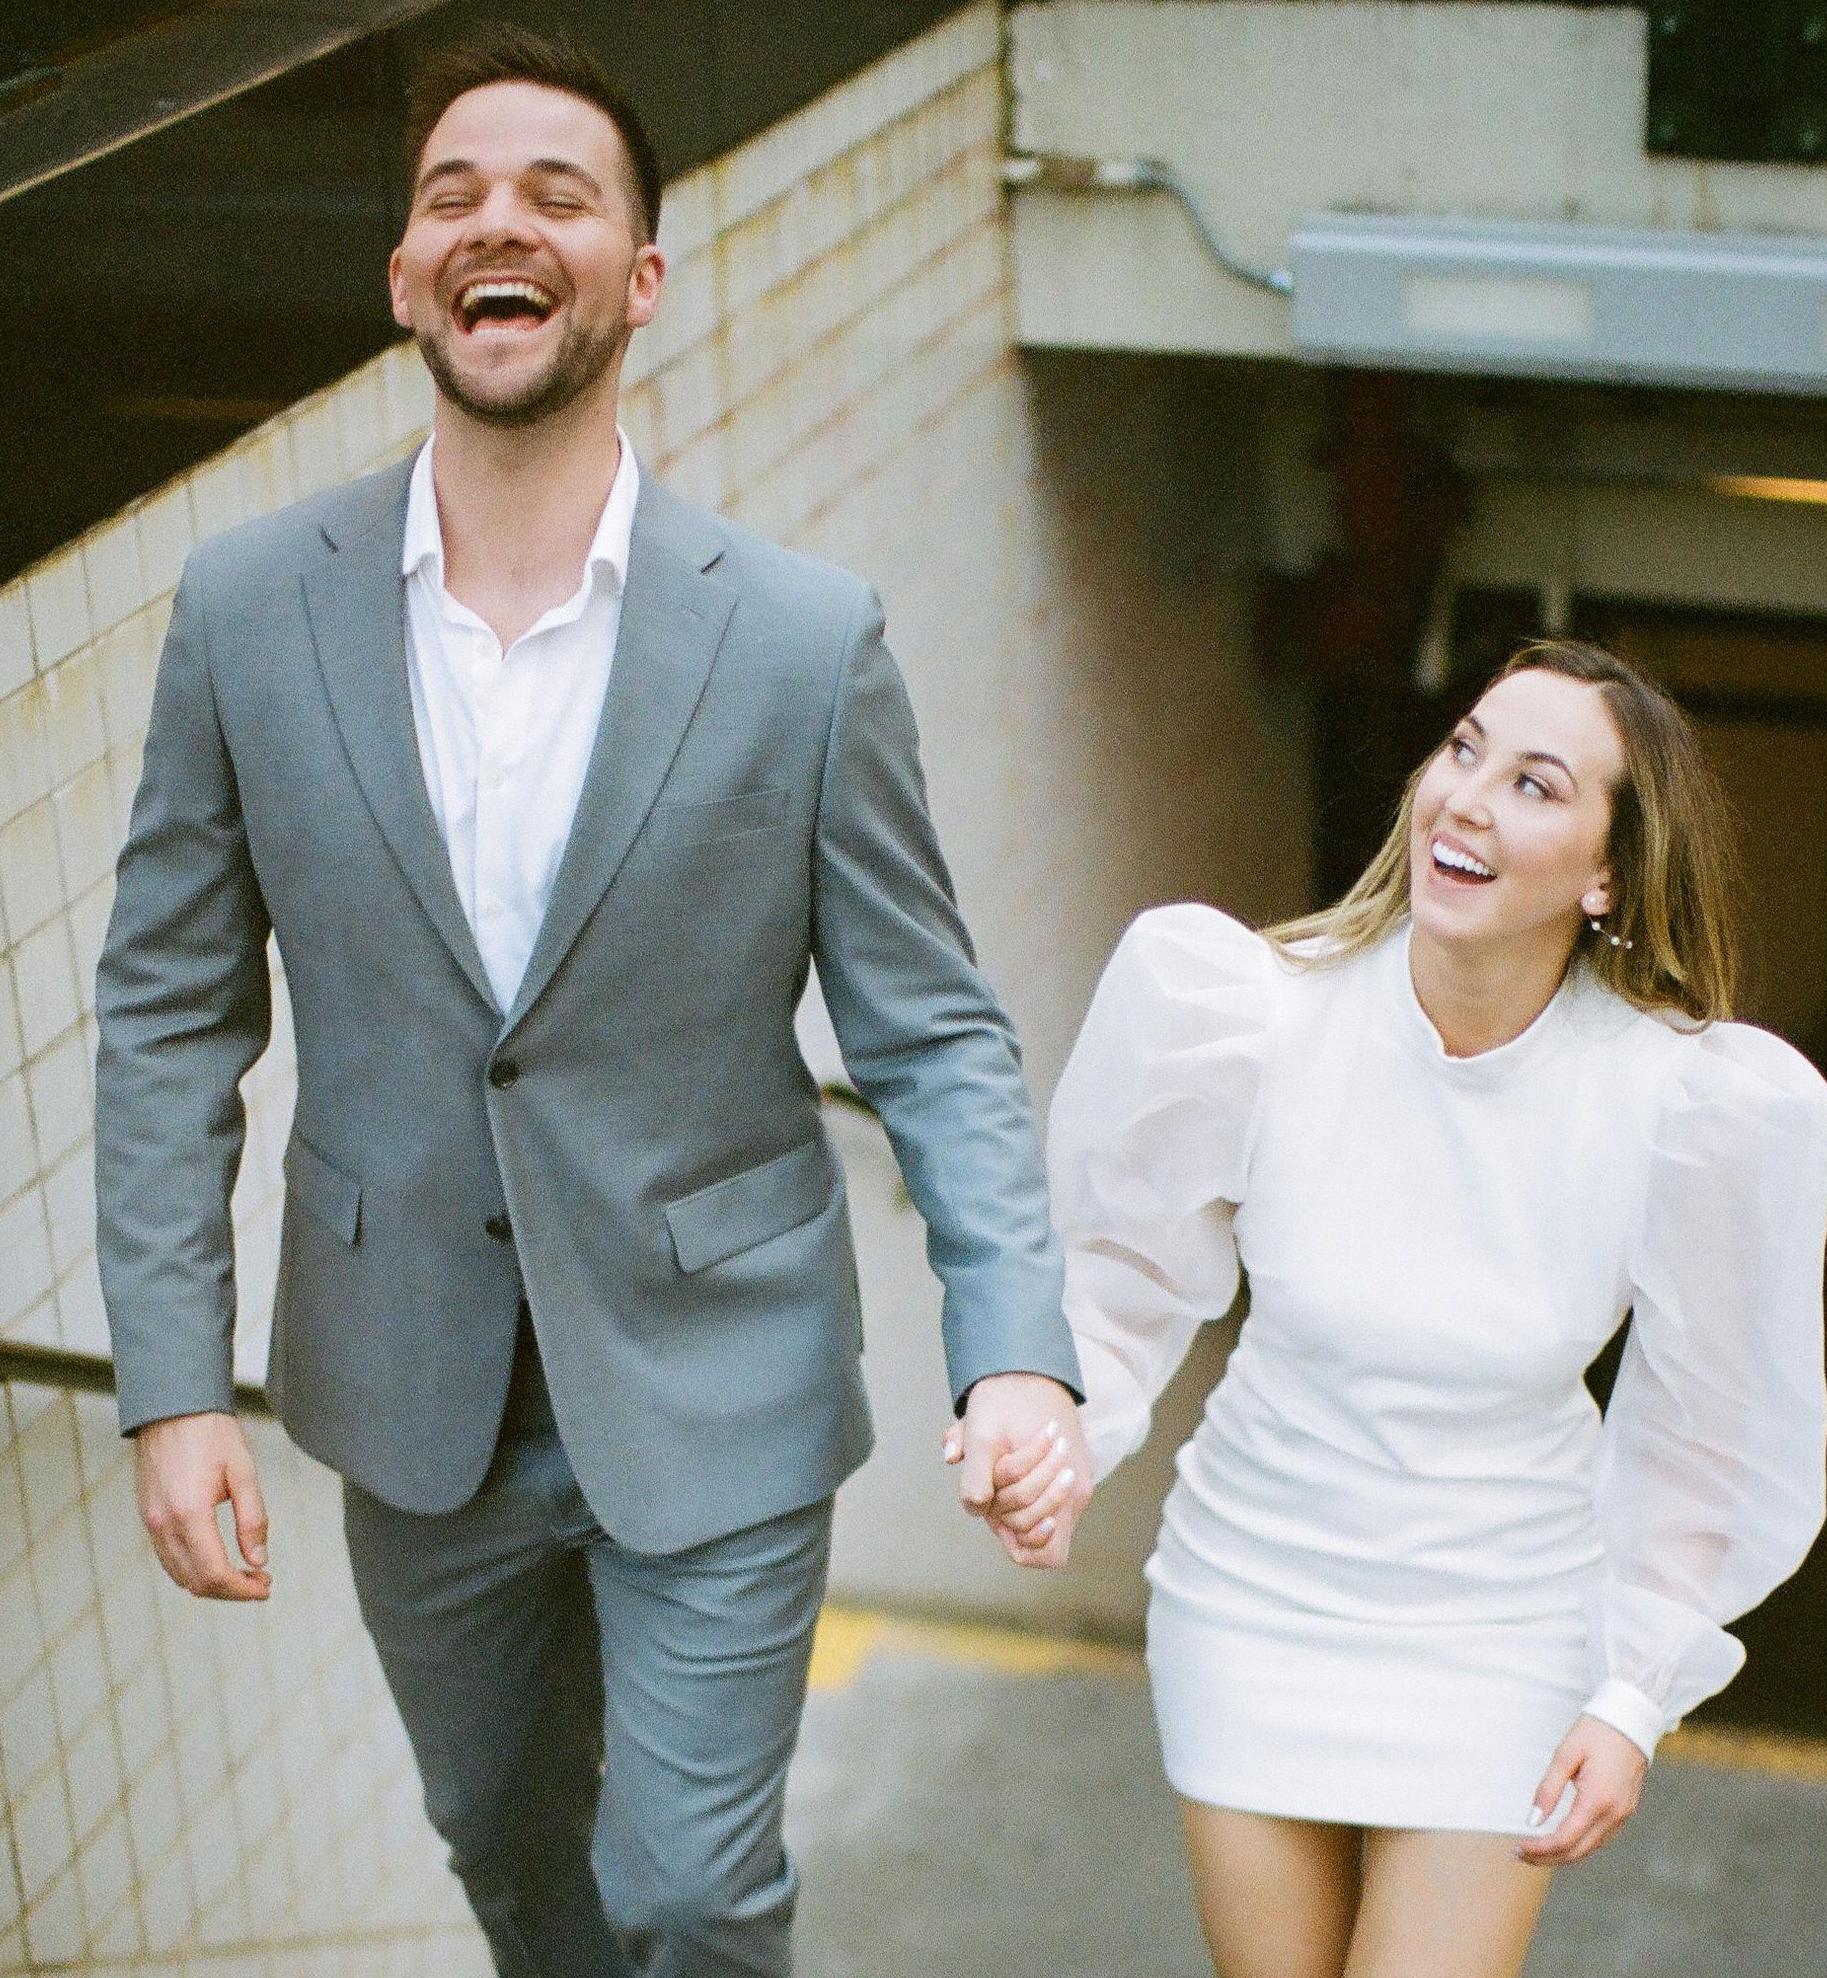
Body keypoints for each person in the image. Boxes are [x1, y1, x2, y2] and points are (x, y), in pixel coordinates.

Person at [93, 27, 1093, 1977]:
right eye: (453, 195)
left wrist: (1015, 1350)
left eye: (558, 197)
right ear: (402, 274)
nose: (500, 223)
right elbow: (165, 1015)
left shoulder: (799, 640)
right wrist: (173, 1383)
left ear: (637, 281)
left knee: (689, 1887)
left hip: (720, 1371)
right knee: (505, 1844)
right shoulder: (244, 610)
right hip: (408, 1380)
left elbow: (932, 1031)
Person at [994, 642, 1827, 1978]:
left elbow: (1709, 1428)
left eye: (1535, 784)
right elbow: (1117, 1270)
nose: (1468, 798)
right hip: (1251, 1601)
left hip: (1500, 1632)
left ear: (1609, 874)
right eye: (1463, 750)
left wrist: (1633, 1694)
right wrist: (1057, 1429)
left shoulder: (1684, 1105)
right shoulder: (1254, 1012)